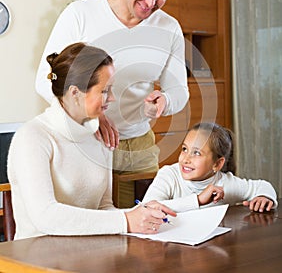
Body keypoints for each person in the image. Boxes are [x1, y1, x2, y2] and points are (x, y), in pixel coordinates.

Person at [35, 0, 189, 207]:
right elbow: (44, 80)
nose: (151, 2)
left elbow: (179, 91)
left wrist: (165, 101)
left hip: (139, 146)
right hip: (85, 141)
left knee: (147, 226)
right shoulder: (80, 14)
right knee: (90, 228)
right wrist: (93, 115)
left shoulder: (169, 28)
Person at [7, 43, 176, 240]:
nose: (112, 98)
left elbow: (104, 207)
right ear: (75, 93)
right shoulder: (33, 137)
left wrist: (142, 214)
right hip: (37, 260)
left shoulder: (99, 136)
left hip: (90, 254)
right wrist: (126, 220)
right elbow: (45, 216)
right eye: (105, 91)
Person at [142, 122, 278, 212]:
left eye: (196, 153)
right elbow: (147, 207)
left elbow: (263, 186)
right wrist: (199, 200)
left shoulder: (225, 184)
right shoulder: (169, 175)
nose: (186, 159)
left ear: (217, 164)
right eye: (184, 149)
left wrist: (264, 196)